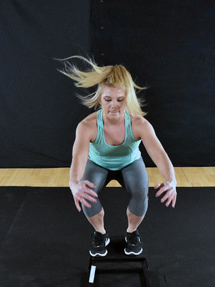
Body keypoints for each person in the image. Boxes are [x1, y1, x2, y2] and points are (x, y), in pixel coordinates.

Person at [58, 56, 177, 257]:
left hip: (129, 163)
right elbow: (78, 157)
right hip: (98, 164)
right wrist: (73, 183)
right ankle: (100, 233)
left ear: (128, 99)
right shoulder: (87, 126)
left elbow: (159, 154)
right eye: (108, 99)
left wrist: (171, 179)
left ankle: (131, 233)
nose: (114, 105)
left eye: (120, 100)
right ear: (99, 99)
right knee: (86, 192)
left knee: (141, 191)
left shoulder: (139, 124)